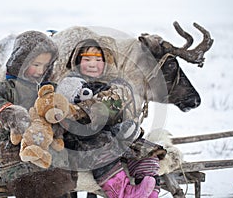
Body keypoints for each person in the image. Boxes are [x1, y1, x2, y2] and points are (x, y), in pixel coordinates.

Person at [60, 38, 162, 198]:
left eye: (98, 59)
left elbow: (120, 103)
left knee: (145, 150)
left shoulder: (117, 83)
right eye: (86, 59)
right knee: (103, 150)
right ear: (77, 62)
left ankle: (149, 189)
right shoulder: (70, 85)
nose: (92, 64)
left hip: (115, 132)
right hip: (84, 139)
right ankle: (123, 193)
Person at [0, 30, 77, 198]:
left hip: (46, 147)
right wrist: (9, 114)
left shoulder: (48, 89)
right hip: (9, 149)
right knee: (29, 182)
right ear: (20, 62)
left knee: (60, 180)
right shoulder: (6, 88)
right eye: (36, 64)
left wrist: (63, 115)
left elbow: (61, 107)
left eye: (45, 66)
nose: (41, 70)